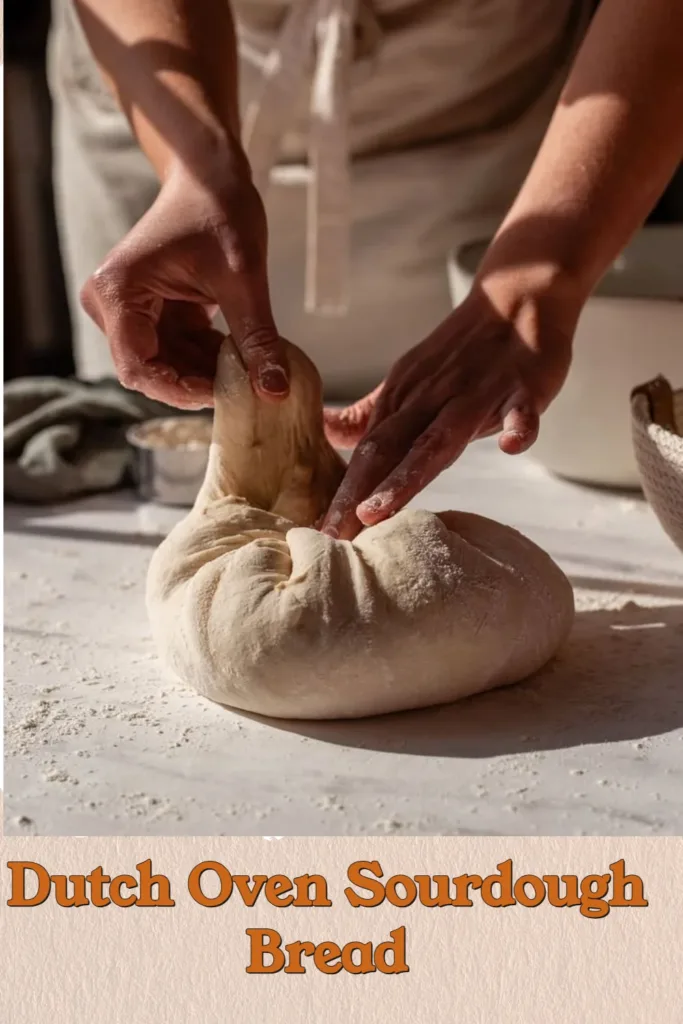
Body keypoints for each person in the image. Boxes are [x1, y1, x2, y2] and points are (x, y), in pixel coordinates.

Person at [49, 0, 683, 539]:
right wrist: (193, 164)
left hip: (485, 99)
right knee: (154, 431)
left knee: (476, 452)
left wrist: (530, 284)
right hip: (167, 68)